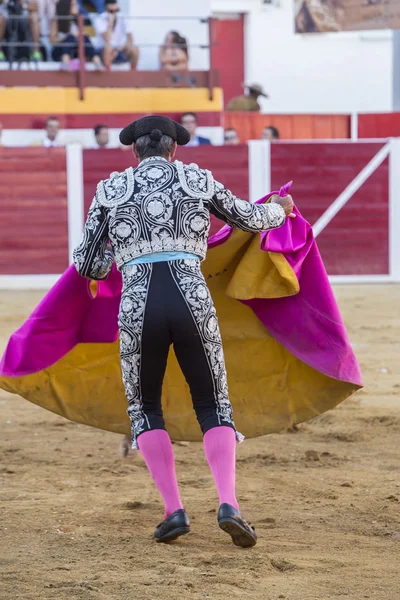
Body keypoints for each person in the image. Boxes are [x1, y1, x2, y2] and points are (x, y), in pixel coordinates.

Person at [73, 115, 295, 546]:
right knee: (213, 403)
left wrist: (112, 259)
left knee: (145, 408)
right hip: (192, 298)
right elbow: (248, 218)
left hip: (138, 306)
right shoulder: (196, 179)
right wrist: (279, 210)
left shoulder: (111, 190)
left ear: (133, 152)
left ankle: (174, 511)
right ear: (174, 150)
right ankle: (229, 503)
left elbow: (86, 263)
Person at [50, 0, 102, 70]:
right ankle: (65, 62)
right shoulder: (58, 20)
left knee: (84, 37)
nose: (77, 7)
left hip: (74, 52)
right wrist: (67, 36)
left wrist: (80, 35)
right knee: (70, 37)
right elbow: (52, 41)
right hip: (59, 52)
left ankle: (96, 61)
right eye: (74, 5)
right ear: (67, 6)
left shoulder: (78, 20)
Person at [94, 0, 139, 69]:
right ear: (106, 10)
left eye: (117, 10)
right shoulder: (100, 19)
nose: (115, 13)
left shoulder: (123, 17)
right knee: (108, 47)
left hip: (120, 49)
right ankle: (107, 73)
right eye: (111, 11)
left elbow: (130, 38)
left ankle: (133, 73)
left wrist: (118, 50)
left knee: (134, 49)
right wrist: (110, 24)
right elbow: (107, 40)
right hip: (103, 50)